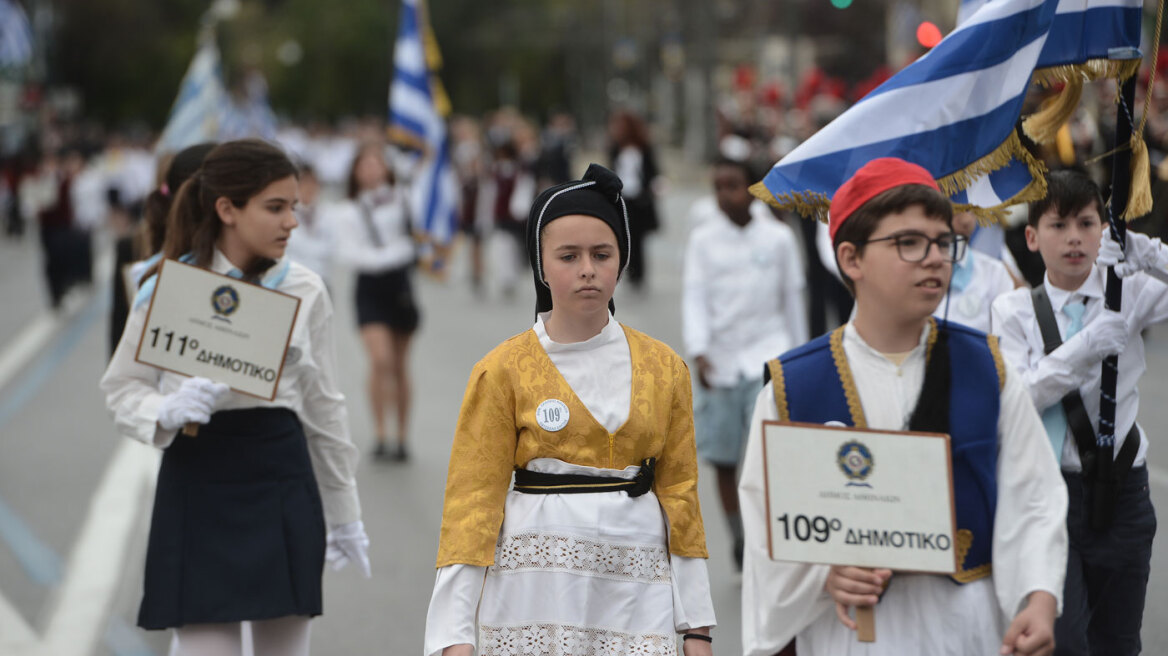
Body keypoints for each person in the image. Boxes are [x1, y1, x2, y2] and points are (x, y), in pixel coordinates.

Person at [740, 157, 1068, 656]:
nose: (935, 257)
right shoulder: (794, 388)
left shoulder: (987, 369)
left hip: (965, 631)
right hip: (849, 636)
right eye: (909, 243)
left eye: (942, 242)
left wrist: (1040, 598)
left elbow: (1034, 498)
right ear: (851, 259)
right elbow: (766, 530)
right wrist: (823, 575)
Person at [424, 164, 716, 656]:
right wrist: (453, 637)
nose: (587, 268)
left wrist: (697, 628)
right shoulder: (502, 370)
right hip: (534, 594)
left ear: (621, 259)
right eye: (568, 255)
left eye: (602, 254)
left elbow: (680, 495)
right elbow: (472, 505)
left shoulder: (665, 368)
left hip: (636, 592)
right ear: (539, 264)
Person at [100, 139, 369, 656]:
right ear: (227, 209)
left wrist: (345, 512)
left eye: (294, 207)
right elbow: (121, 385)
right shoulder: (167, 287)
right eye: (275, 207)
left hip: (279, 472)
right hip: (199, 473)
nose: (291, 221)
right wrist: (165, 409)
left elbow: (324, 408)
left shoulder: (305, 288)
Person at [991, 169, 1168, 656]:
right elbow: (1017, 399)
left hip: (1123, 489)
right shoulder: (1012, 312)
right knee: (1063, 642)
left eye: (1087, 224)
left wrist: (1148, 253)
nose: (1074, 237)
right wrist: (1083, 349)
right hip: (1052, 494)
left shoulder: (1127, 291)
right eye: (1058, 224)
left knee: (1118, 641)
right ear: (1031, 237)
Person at [682, 158, 806, 570]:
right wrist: (699, 349)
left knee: (764, 452)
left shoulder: (777, 238)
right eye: (718, 186)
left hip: (766, 358)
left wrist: (797, 356)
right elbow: (695, 295)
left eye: (733, 185)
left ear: (752, 188)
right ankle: (737, 535)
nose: (725, 195)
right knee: (723, 458)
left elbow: (792, 299)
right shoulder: (703, 239)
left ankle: (763, 535)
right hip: (719, 361)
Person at [336, 141, 420, 462]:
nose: (371, 170)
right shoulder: (349, 209)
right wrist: (393, 253)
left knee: (400, 365)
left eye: (377, 163)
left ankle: (401, 436)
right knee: (380, 359)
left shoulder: (404, 199)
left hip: (400, 288)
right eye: (364, 164)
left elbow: (421, 236)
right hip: (370, 288)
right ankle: (380, 432)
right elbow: (351, 254)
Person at [935, 210, 1017, 333]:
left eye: (972, 211)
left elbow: (1009, 340)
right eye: (957, 209)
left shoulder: (995, 273)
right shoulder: (907, 268)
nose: (966, 221)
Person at [608, 110, 660, 290]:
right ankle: (629, 271)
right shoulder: (615, 148)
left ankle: (639, 274)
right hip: (622, 196)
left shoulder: (643, 148)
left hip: (640, 198)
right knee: (624, 237)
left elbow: (652, 170)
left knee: (639, 237)